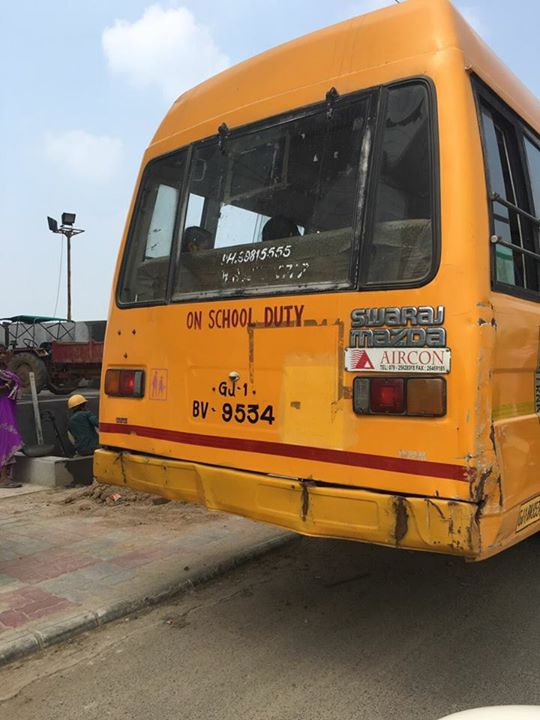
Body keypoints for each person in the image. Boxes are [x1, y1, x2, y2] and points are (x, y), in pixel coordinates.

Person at [0, 346, 23, 488]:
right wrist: (9, 384)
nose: (2, 356)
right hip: (2, 410)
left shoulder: (6, 373)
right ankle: (3, 479)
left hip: (6, 408)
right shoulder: (6, 377)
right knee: (5, 440)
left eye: (4, 353)